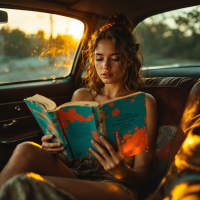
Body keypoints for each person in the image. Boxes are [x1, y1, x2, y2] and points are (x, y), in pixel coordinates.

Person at [0, 13, 157, 200]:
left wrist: (122, 171)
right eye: (99, 58)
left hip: (117, 183)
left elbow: (143, 175)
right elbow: (69, 159)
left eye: (114, 58)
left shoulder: (144, 102)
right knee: (25, 148)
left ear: (129, 60)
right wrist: (54, 149)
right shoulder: (81, 96)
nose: (105, 66)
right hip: (78, 172)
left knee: (25, 184)